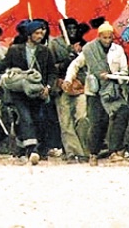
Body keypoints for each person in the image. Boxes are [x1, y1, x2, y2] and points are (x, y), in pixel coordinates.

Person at [0, 20, 57, 165]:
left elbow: (52, 72)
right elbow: (1, 67)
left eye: (41, 33)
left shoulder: (45, 51)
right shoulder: (15, 50)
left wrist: (48, 88)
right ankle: (32, 150)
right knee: (25, 117)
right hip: (18, 91)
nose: (40, 36)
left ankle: (21, 147)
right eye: (36, 33)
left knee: (37, 118)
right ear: (29, 35)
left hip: (37, 91)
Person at [64, 21, 129, 166]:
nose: (107, 41)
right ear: (99, 36)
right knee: (97, 122)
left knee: (122, 112)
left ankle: (114, 150)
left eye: (109, 37)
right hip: (94, 91)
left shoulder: (118, 50)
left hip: (112, 90)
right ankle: (93, 154)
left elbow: (124, 71)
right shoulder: (89, 49)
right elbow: (75, 64)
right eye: (104, 37)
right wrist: (69, 79)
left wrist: (112, 75)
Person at [49, 18, 89, 163]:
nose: (72, 31)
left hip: (81, 86)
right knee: (65, 120)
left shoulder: (85, 44)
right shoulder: (55, 44)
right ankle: (72, 151)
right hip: (62, 86)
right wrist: (67, 58)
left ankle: (84, 150)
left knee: (82, 117)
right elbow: (51, 67)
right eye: (69, 29)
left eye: (74, 28)